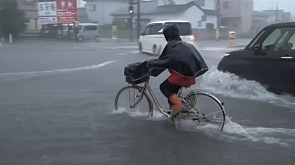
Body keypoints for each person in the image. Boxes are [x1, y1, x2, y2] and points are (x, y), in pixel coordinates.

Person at [145, 24, 208, 117]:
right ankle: (173, 115)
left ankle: (178, 106)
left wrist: (151, 70)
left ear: (168, 35)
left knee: (164, 87)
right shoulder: (184, 44)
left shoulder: (172, 45)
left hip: (181, 76)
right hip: (190, 75)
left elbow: (163, 61)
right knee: (172, 94)